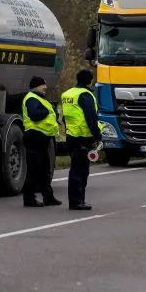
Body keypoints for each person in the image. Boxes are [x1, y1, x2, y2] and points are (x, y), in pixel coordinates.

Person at [61, 68, 103, 211]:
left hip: (71, 136)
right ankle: (77, 201)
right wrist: (98, 136)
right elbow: (91, 118)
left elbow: (65, 117)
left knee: (74, 169)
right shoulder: (85, 95)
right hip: (83, 138)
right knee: (81, 171)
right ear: (90, 80)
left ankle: (76, 200)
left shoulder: (67, 94)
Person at [21, 76, 61, 207]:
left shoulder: (39, 99)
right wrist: (49, 111)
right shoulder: (32, 98)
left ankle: (48, 197)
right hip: (35, 137)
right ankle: (29, 199)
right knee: (34, 170)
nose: (45, 87)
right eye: (43, 85)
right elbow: (35, 115)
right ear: (37, 86)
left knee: (44, 170)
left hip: (42, 138)